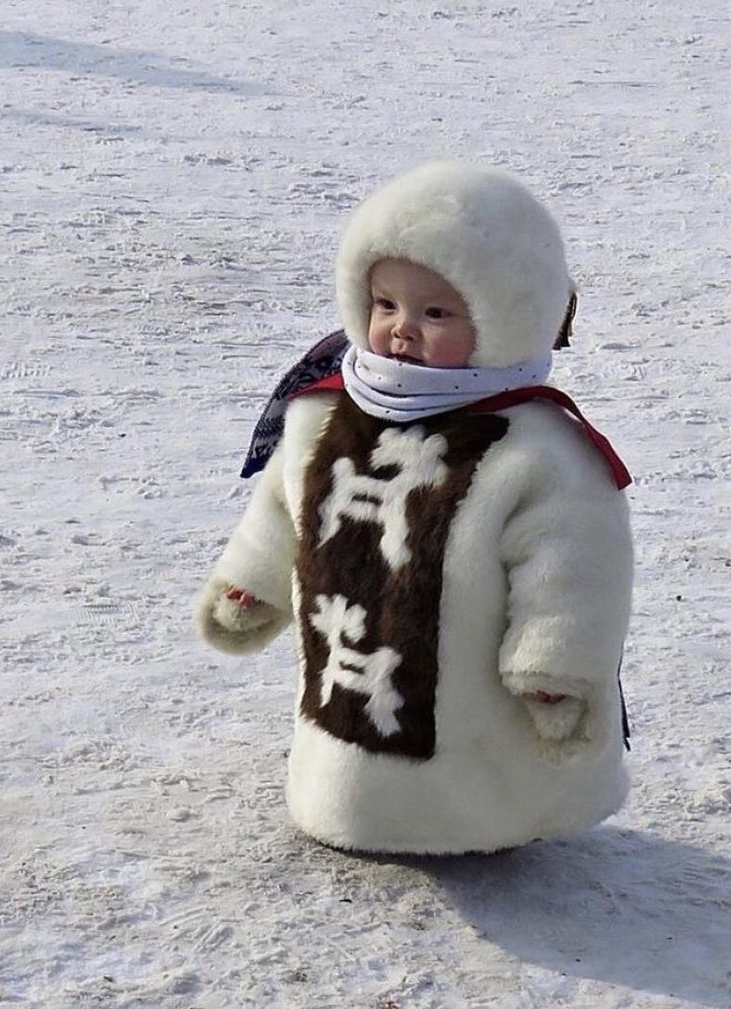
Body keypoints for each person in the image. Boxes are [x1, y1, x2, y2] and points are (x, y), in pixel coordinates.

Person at [195, 160, 634, 855]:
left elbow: (576, 569)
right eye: (386, 304)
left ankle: (480, 825)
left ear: (504, 312)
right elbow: (284, 506)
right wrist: (251, 580)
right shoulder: (327, 413)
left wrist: (556, 668)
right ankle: (353, 806)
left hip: (478, 755)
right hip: (348, 694)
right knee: (348, 716)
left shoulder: (537, 452)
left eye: (435, 312)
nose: (402, 330)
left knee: (456, 732)